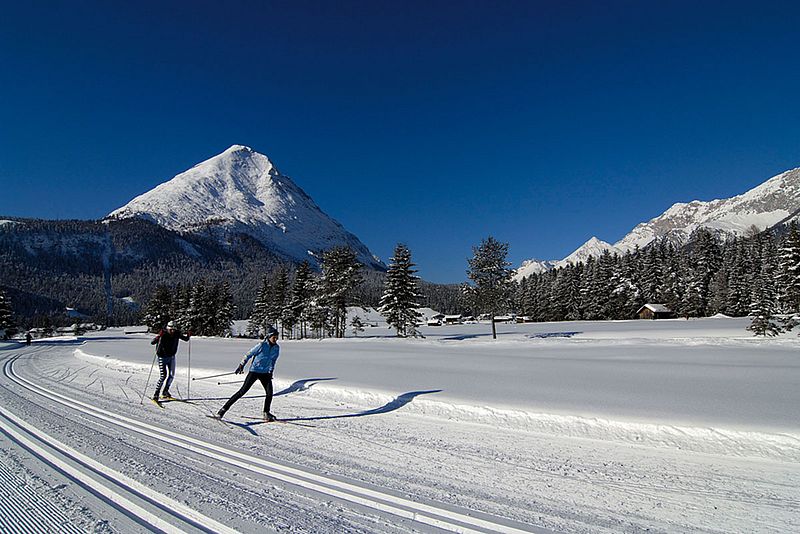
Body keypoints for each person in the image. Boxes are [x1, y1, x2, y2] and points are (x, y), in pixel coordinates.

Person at [215, 326, 280, 421]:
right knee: (242, 392)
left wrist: (270, 371)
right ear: (269, 336)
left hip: (265, 373)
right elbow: (249, 354)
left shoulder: (276, 348)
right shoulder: (261, 345)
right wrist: (242, 365)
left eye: (277, 337)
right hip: (254, 371)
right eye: (274, 337)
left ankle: (266, 413)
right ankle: (222, 410)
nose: (276, 339)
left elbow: (273, 360)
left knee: (269, 393)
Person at [150, 321, 190, 401]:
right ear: (168, 328)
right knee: (163, 376)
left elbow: (186, 339)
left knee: (171, 375)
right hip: (162, 357)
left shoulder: (176, 334)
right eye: (171, 329)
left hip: (171, 357)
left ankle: (165, 391)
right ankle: (156, 394)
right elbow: (152, 342)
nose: (173, 331)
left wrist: (188, 334)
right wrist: (158, 337)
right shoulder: (163, 334)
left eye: (174, 329)